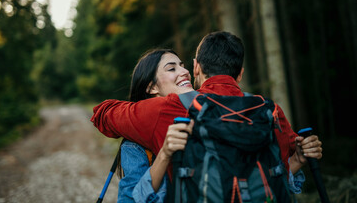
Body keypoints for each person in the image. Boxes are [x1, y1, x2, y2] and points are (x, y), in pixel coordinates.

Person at [92, 31, 322, 201]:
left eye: (183, 66)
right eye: (172, 68)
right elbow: (274, 178)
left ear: (196, 68)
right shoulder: (268, 110)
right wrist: (297, 161)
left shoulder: (166, 109)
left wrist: (141, 114)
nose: (182, 72)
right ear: (240, 74)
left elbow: (101, 113)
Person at [114, 48, 194, 202]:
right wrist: (164, 154)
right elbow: (130, 200)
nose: (185, 71)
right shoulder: (135, 144)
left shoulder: (205, 115)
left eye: (182, 65)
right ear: (152, 87)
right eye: (172, 68)